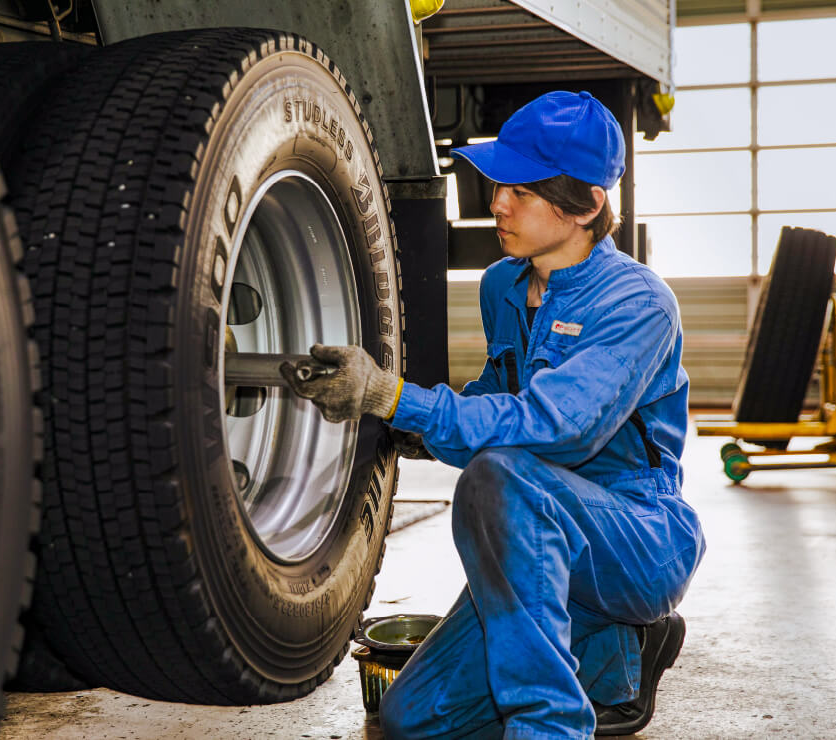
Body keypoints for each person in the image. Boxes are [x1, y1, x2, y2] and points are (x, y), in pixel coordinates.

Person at [281, 90, 705, 739]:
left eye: (522, 191)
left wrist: (394, 396)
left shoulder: (638, 304)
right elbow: (491, 404)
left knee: (499, 478)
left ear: (587, 205)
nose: (497, 203)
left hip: (635, 541)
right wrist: (392, 419)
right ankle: (611, 656)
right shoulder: (502, 286)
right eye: (497, 183)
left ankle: (554, 720)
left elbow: (555, 428)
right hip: (540, 534)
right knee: (411, 721)